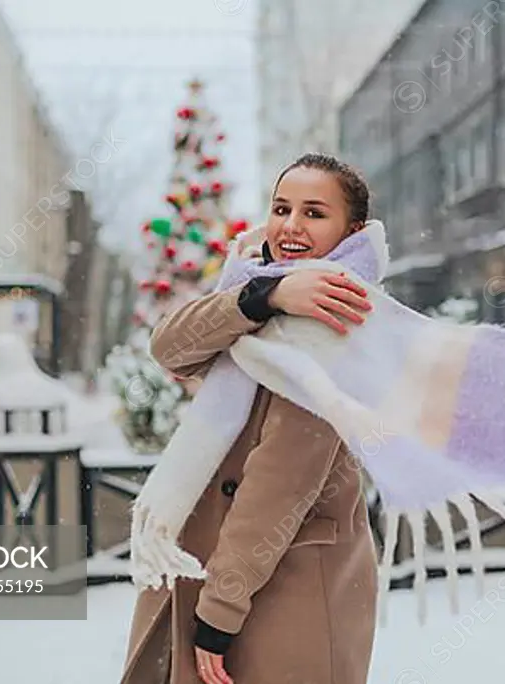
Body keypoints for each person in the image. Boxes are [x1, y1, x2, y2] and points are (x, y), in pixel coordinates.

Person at [120, 153, 380, 684]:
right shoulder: (259, 290)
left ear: (352, 231)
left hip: (288, 585)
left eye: (313, 213)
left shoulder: (338, 317)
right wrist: (264, 296)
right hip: (218, 567)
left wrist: (219, 613)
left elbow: (280, 486)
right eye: (282, 208)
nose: (290, 226)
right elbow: (171, 347)